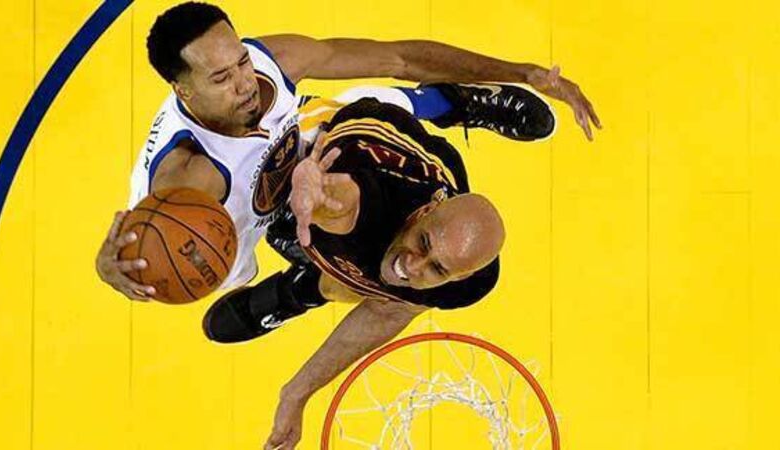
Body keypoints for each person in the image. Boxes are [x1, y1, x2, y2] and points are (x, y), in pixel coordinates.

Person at [95, 1, 601, 302]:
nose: (245, 83)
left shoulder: (274, 63)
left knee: (362, 112)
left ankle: (451, 101)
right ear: (183, 91)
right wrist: (112, 268)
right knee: (268, 278)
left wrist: (523, 73)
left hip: (302, 150)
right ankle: (299, 287)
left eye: (242, 61)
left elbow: (400, 58)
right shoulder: (188, 181)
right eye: (222, 78)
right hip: (237, 223)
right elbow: (140, 255)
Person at [201, 98, 505, 449]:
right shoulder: (365, 208)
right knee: (270, 205)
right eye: (423, 242)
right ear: (426, 211)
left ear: (458, 277)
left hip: (407, 196)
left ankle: (298, 291)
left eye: (437, 268)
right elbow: (343, 200)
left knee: (382, 284)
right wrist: (313, 196)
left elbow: (390, 309)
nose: (414, 265)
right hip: (331, 140)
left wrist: (296, 393)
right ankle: (445, 98)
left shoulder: (464, 281)